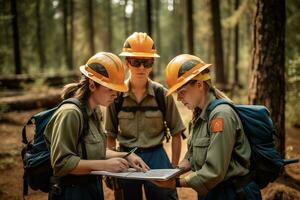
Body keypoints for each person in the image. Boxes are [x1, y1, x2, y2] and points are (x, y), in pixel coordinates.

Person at [152, 54, 262, 200]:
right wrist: (172, 172)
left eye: (182, 92)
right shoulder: (199, 116)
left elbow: (214, 171)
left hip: (233, 194)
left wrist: (175, 183)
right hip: (214, 193)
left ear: (199, 85)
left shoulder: (221, 116)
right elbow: (192, 156)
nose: (178, 98)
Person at [44, 52, 149, 200]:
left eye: (117, 90)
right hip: (71, 192)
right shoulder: (70, 114)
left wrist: (126, 155)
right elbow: (61, 163)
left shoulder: (94, 112)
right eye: (110, 89)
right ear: (92, 85)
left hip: (91, 188)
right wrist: (105, 165)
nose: (115, 95)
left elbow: (93, 151)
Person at [105, 32, 186, 200]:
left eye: (147, 62)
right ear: (127, 63)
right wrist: (109, 167)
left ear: (152, 64)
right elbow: (110, 136)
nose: (142, 68)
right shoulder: (116, 96)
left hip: (157, 156)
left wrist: (173, 168)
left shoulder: (162, 95)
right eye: (136, 62)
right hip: (126, 159)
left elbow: (177, 133)